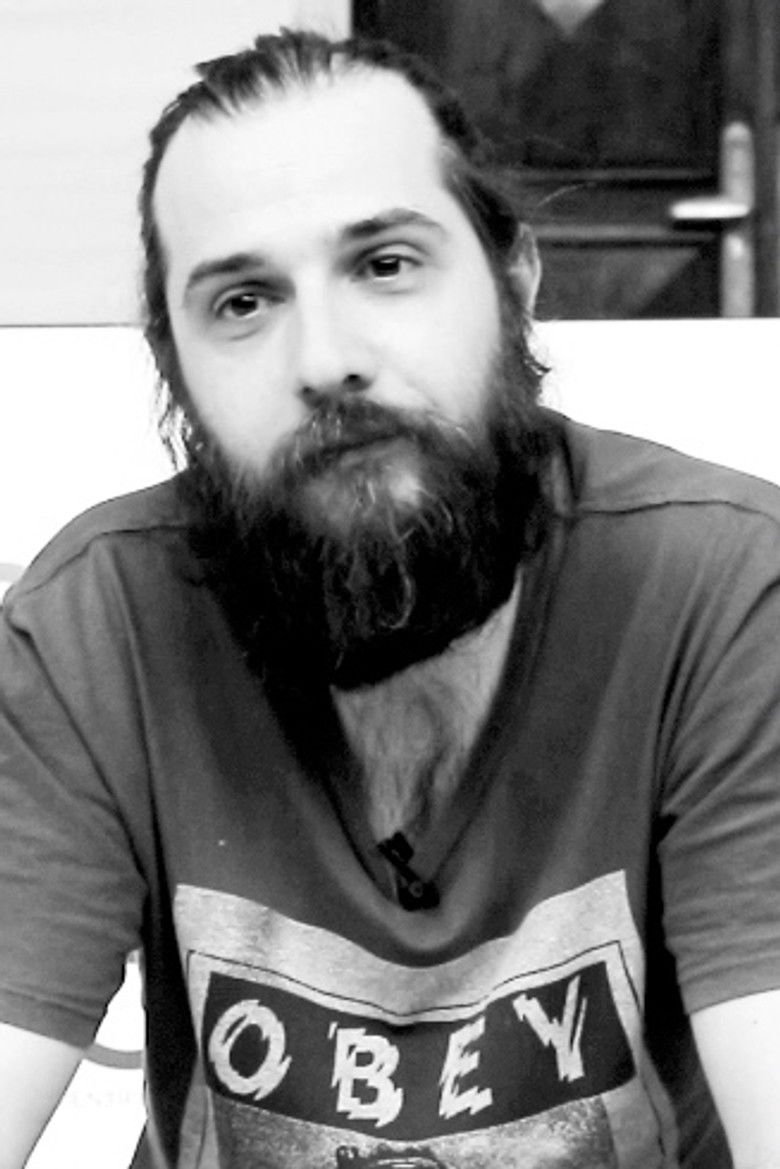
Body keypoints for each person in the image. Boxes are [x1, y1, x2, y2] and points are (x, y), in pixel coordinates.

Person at [0, 27, 779, 1169]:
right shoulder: (95, 625)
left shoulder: (725, 590)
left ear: (514, 281)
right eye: (243, 301)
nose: (326, 358)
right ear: (175, 370)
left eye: (386, 264)